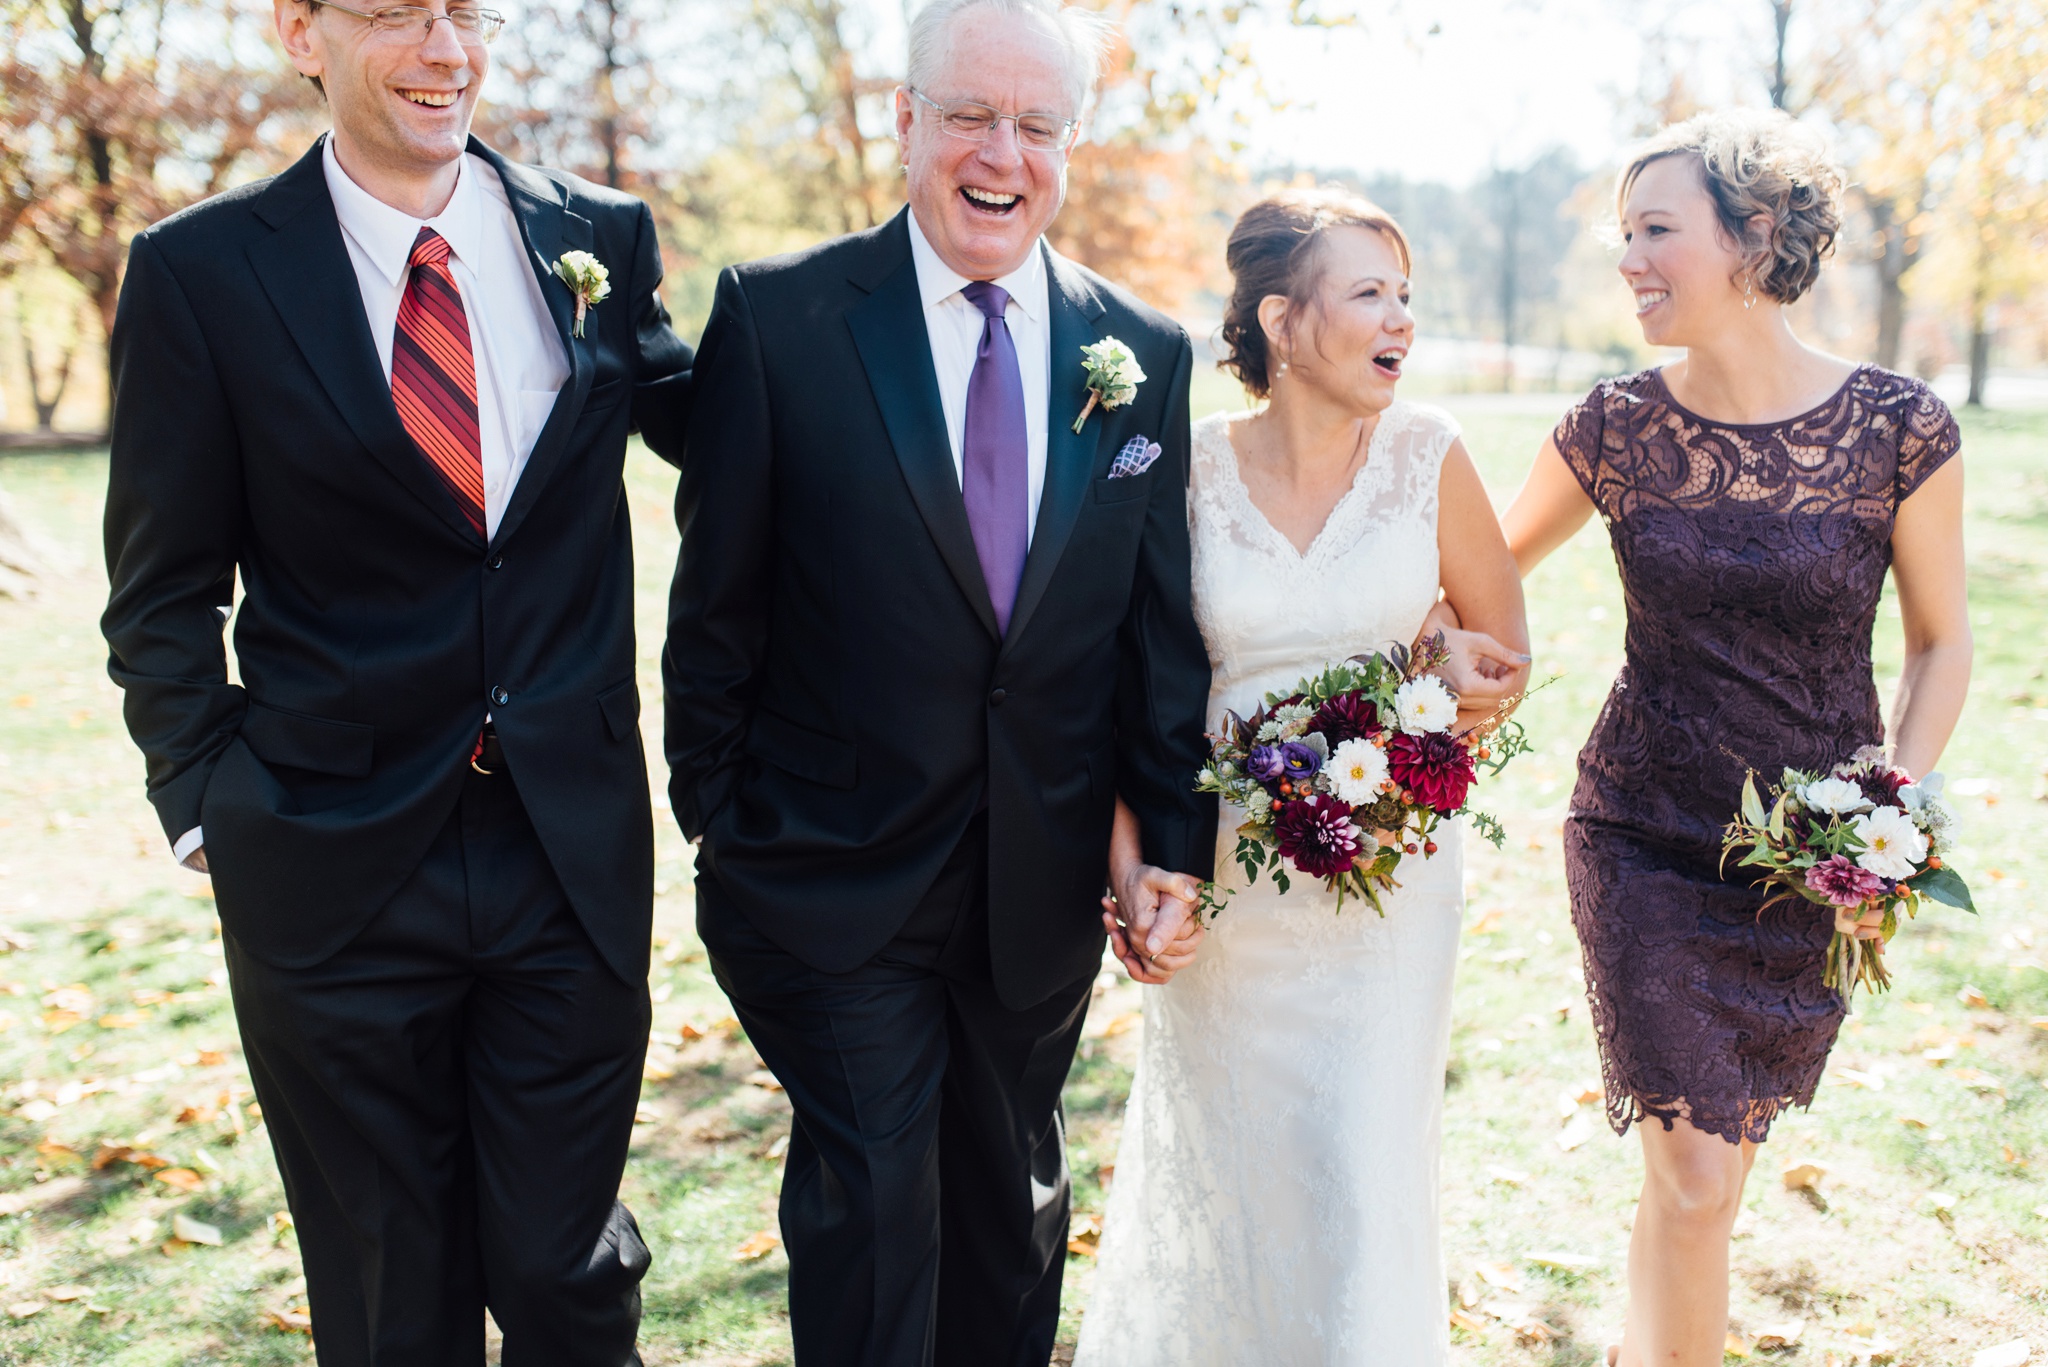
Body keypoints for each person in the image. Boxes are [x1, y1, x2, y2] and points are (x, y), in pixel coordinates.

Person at [100, 1, 693, 1361]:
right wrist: (211, 803)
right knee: (388, 1301)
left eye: (464, 11)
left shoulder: (595, 235)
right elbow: (161, 586)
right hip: (329, 865)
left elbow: (729, 435)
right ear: (300, 31)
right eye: (390, 12)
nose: (443, 48)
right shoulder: (201, 274)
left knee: (565, 1272)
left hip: (564, 853)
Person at [659, 0, 1214, 1362]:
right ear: (906, 120)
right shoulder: (781, 320)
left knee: (1013, 1209)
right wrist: (721, 818)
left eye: (1037, 126)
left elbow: (1153, 639)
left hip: (1036, 892)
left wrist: (1174, 843)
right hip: (826, 878)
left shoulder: (1139, 353)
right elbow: (712, 609)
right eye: (971, 114)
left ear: (1067, 146)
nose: (1002, 153)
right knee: (873, 1204)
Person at [1478, 110, 1971, 1366]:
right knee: (1695, 1180)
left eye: (1655, 229)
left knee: (1702, 1185)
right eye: (1621, 232)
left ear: (1753, 238)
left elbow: (1937, 642)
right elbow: (1473, 569)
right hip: (1642, 833)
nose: (1627, 258)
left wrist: (1887, 811)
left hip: (1806, 862)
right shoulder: (1614, 429)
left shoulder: (1896, 428)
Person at [1075, 188, 1531, 1366]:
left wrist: (1443, 674)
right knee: (1242, 1172)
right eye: (1368, 293)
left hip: (1391, 878)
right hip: (1223, 883)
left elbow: (1500, 659)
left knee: (1356, 1169)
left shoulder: (1429, 452)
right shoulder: (1180, 468)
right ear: (1280, 320)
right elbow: (1126, 698)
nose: (1400, 321)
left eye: (1405, 296)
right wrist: (1130, 874)